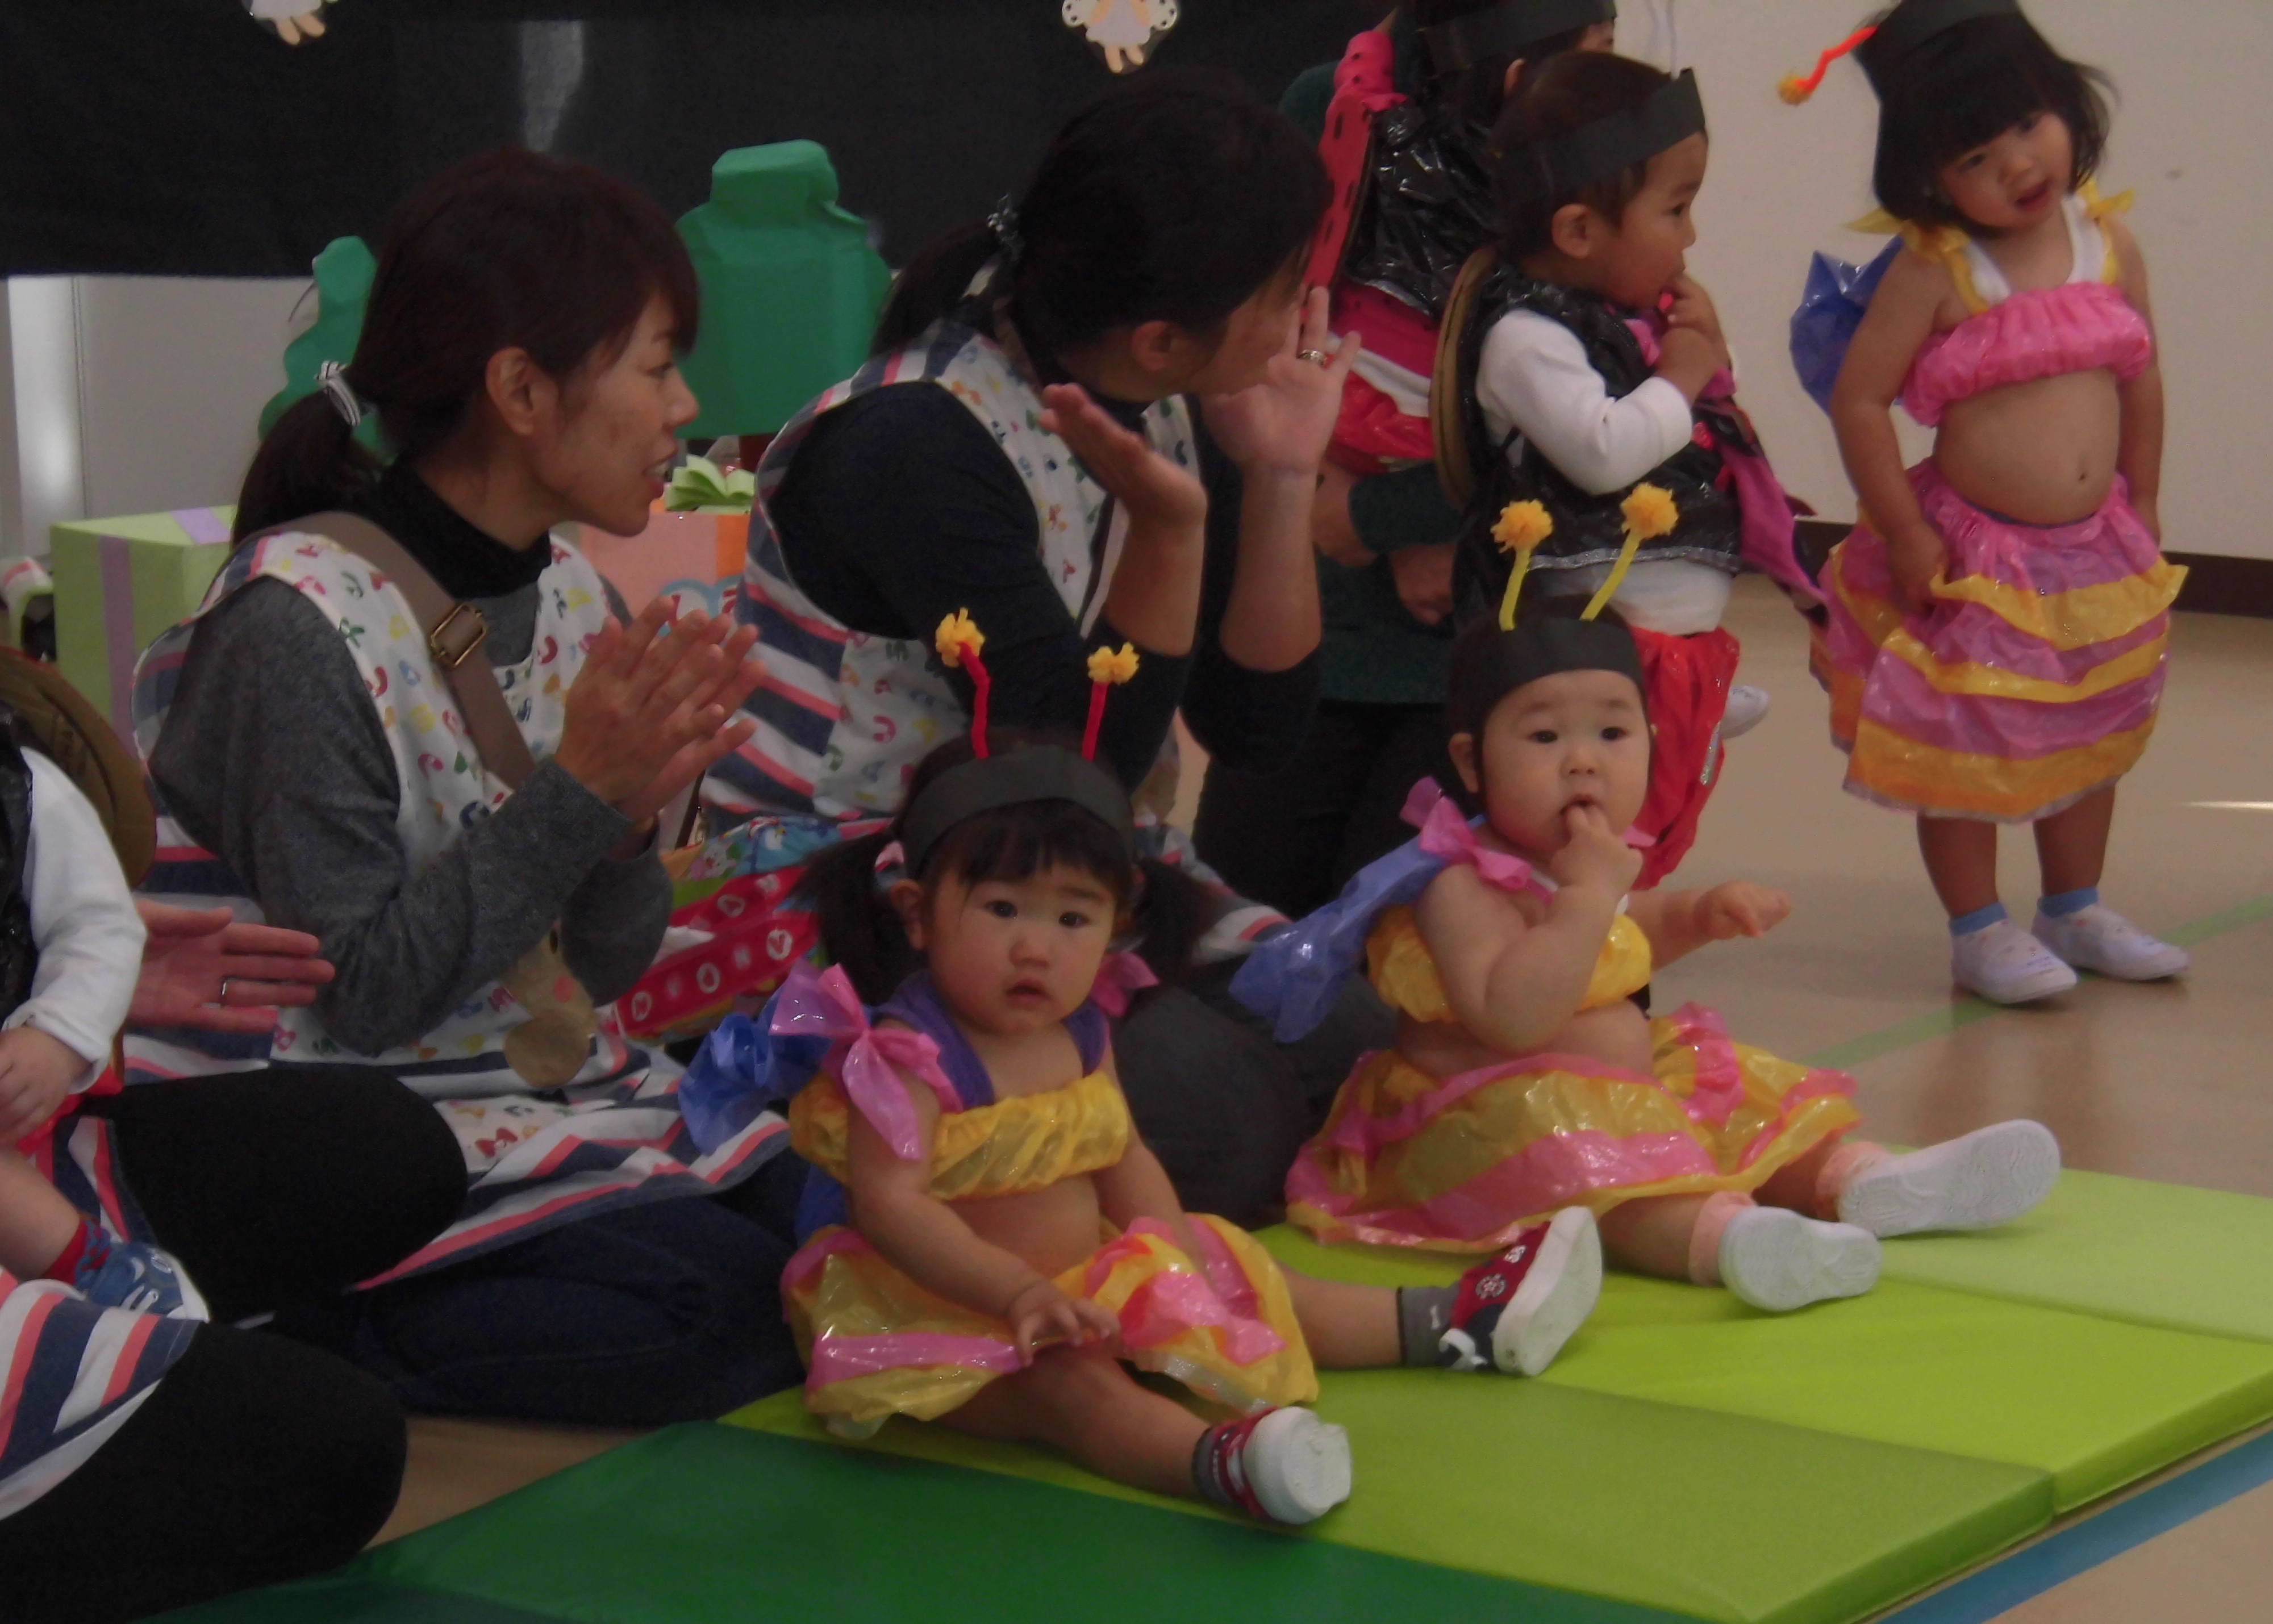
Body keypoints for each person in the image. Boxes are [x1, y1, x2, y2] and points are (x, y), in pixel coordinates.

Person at [129, 147, 812, 1426]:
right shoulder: (298, 626)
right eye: (657, 365)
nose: (685, 405)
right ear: (520, 389)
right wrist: (581, 793)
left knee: (830, 1228)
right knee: (721, 1312)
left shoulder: (570, 593)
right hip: (352, 1137)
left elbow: (590, 972)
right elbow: (367, 996)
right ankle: (319, 1325)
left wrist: (623, 828)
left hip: (530, 1094)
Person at [703, 72, 1389, 1228]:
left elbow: (1257, 726)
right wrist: (1168, 534)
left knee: (1363, 1047)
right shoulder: (917, 439)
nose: (1306, 312)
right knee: (1225, 1129)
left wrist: (1279, 475)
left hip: (1073, 871)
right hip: (887, 890)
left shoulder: (1166, 395)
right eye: (1285, 291)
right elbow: (1074, 757)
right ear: (1162, 337)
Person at [692, 654, 1602, 1525]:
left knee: (1240, 1267)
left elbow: (1120, 1150)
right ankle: (1221, 1463)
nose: (1034, 947)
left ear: (1116, 924)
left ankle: (1452, 1319)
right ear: (918, 912)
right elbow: (893, 1208)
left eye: (1072, 916)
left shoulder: (1081, 1028)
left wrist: (1175, 1259)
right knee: (1069, 1388)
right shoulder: (903, 1055)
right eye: (1001, 908)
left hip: (1082, 1275)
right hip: (955, 1314)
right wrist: (1017, 1293)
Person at [1236, 599, 2061, 1312]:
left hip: (1624, 1092)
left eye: (1612, 731)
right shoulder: (1459, 881)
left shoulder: (1586, 859)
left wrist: (1696, 915)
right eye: (1543, 735)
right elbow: (1513, 1016)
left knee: (1728, 1095)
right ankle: (1729, 1242)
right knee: (1606, 1184)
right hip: (1491, 1128)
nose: (1583, 759)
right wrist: (1588, 895)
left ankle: (1859, 1182)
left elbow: (1619, 944)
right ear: (1469, 761)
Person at [1784, 0, 2185, 1004]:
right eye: (1973, 157)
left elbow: (2140, 377)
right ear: (1926, 178)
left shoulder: (2109, 242)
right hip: (1977, 557)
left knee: (2086, 725)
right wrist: (1902, 529)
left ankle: (2073, 907)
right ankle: (1976, 929)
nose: (2015, 163)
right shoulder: (1938, 268)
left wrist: (2143, 495)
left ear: (2067, 103)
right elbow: (1860, 399)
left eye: (2027, 123)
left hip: (2094, 551)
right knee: (1960, 738)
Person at [1195, 0, 1624, 920]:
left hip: (1489, 632)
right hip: (1322, 618)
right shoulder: (1331, 107)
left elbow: (1598, 414)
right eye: (1593, 55)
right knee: (1242, 917)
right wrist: (1331, 495)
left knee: (1418, 929)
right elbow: (1260, 328)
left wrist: (1396, 518)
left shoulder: (1589, 141)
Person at [1, 802, 405, 1621]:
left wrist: (67, 991)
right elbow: (379, 985)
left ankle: (120, 1295)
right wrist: (584, 795)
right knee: (328, 1449)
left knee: (381, 1147)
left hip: (33, 1154)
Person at [1438, 52, 1817, 887]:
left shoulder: (1619, 318)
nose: (1691, 236)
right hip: (1598, 654)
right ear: (1578, 232)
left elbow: (1697, 427)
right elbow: (1603, 452)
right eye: (1676, 210)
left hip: (1661, 648)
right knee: (1595, 843)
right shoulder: (1525, 338)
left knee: (1648, 829)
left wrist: (1705, 351)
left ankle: (1691, 702)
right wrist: (1680, 373)